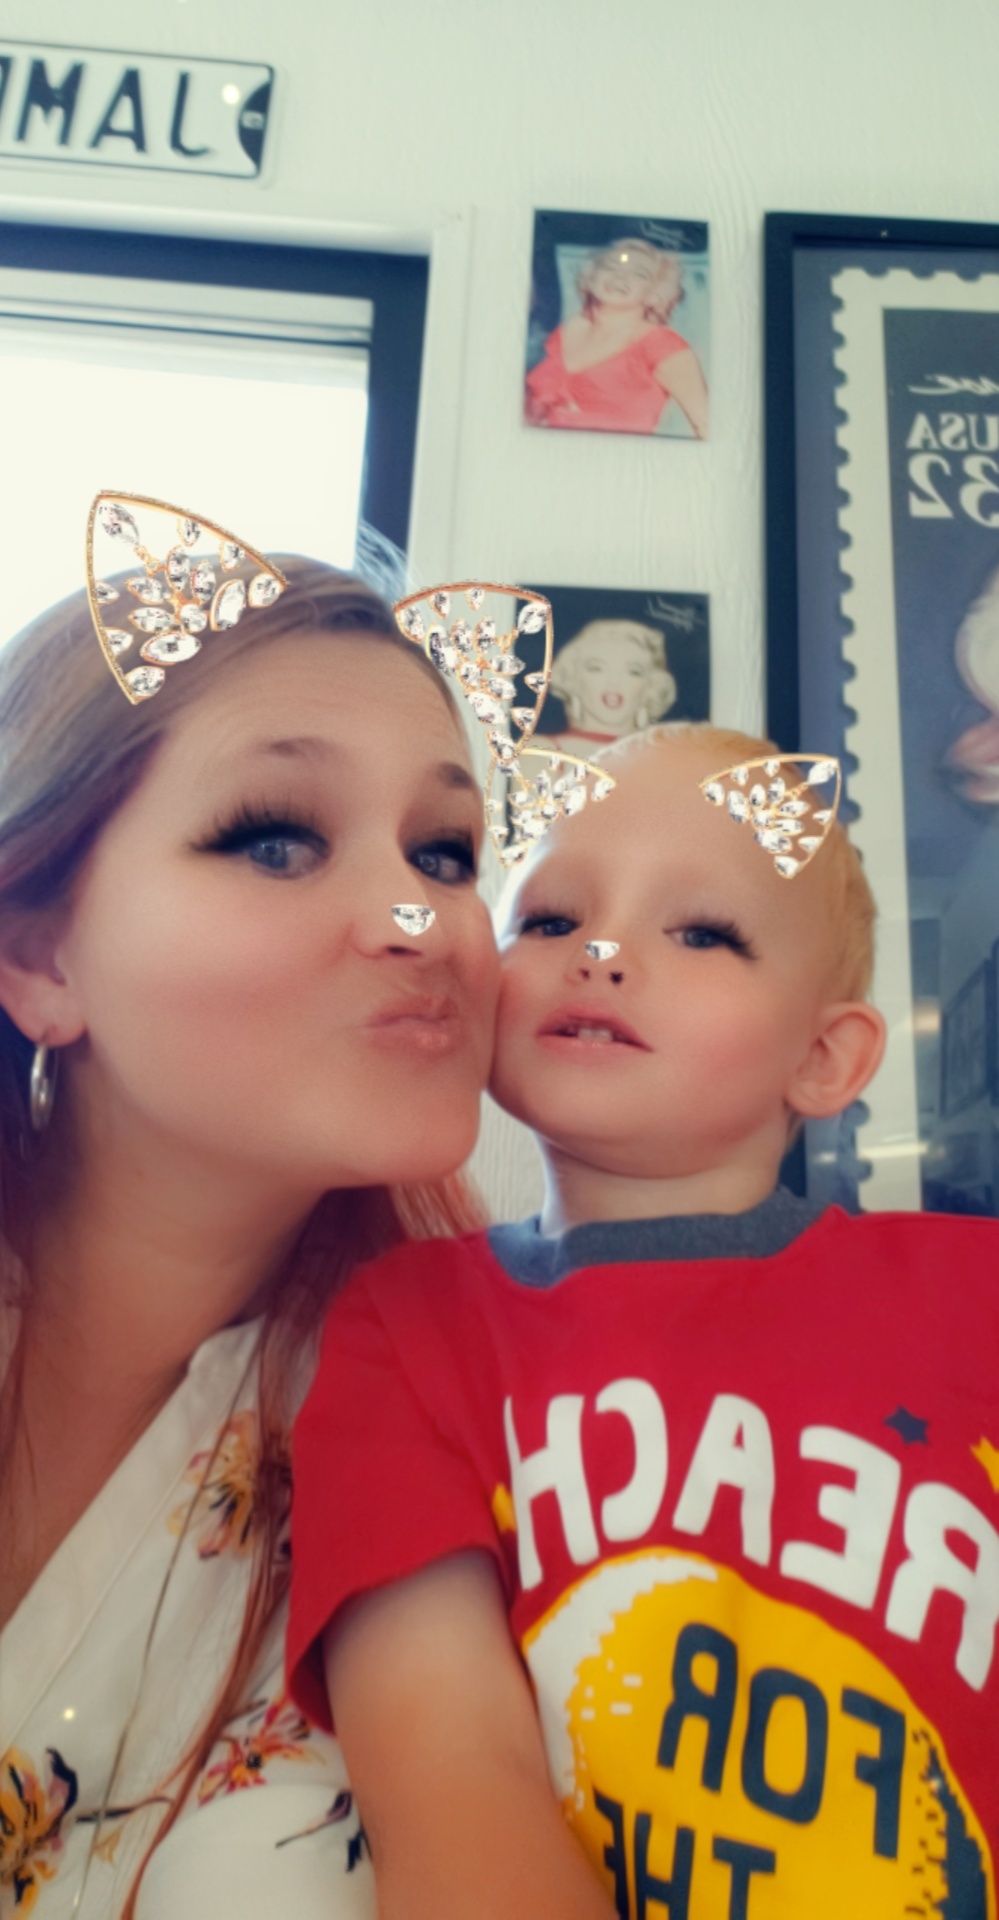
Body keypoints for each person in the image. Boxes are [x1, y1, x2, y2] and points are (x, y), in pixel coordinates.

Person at [288, 722, 999, 1919]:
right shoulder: (409, 1328)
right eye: (550, 919)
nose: (602, 953)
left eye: (705, 932)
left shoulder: (973, 1294)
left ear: (827, 1058)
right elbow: (452, 1786)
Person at [0, 545, 499, 1919]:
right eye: (277, 838)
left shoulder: (466, 1445)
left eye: (444, 853)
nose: (422, 922)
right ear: (39, 956)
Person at [525, 238, 709, 438]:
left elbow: (706, 425)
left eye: (639, 274)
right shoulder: (568, 330)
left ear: (655, 293)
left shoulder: (663, 345)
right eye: (610, 267)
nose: (620, 277)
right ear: (591, 277)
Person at [546, 618, 677, 750]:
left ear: (651, 687)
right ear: (572, 681)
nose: (614, 681)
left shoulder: (671, 754)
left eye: (633, 672)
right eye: (597, 669)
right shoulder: (545, 751)